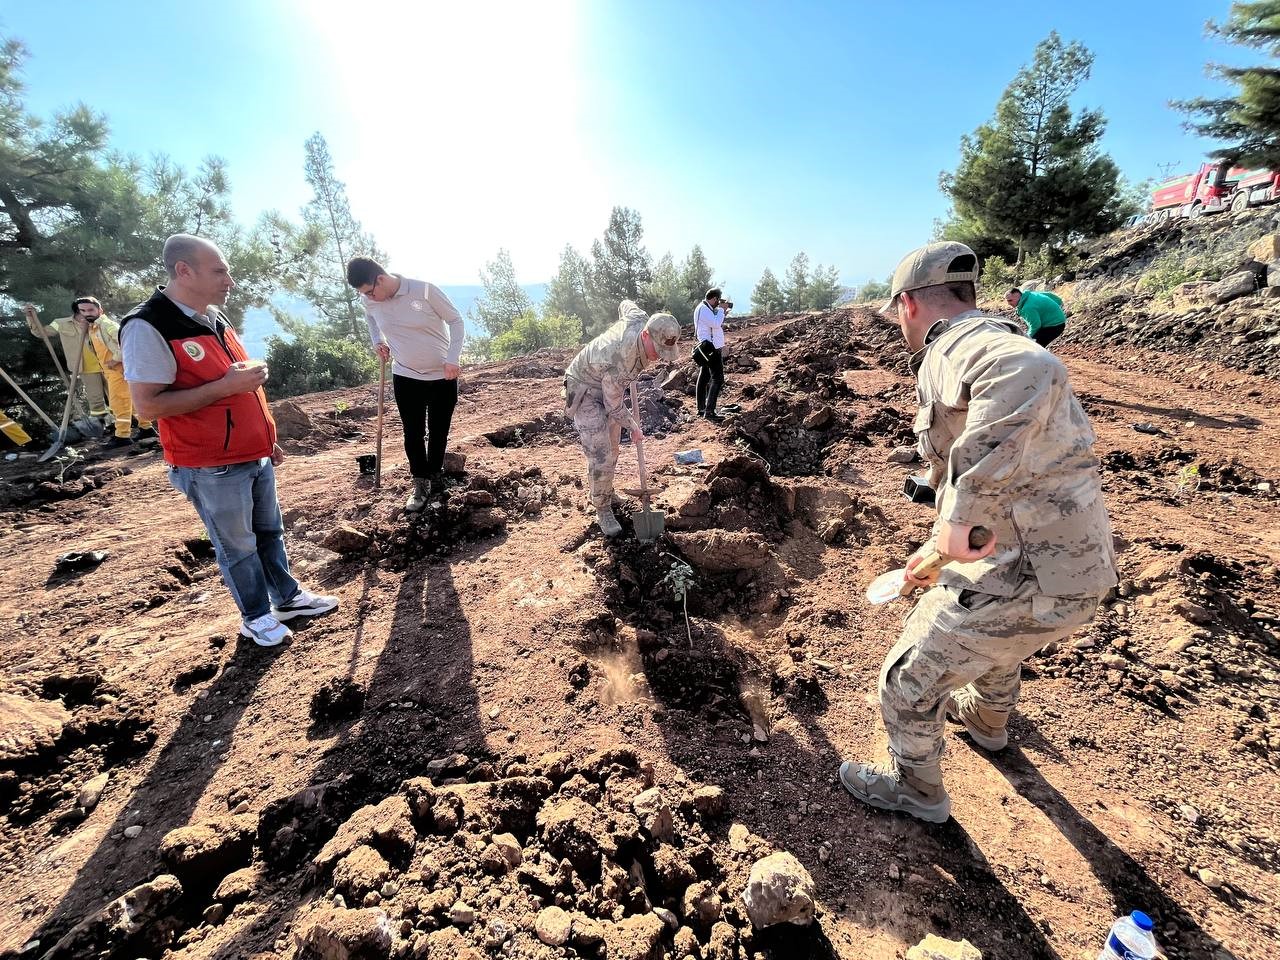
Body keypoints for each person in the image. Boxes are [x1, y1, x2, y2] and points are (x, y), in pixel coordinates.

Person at [839, 241, 1117, 824]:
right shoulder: (991, 331)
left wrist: (960, 517)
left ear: (910, 303)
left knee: (906, 680)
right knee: (996, 636)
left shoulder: (959, 343)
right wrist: (940, 539)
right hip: (1072, 572)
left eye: (896, 310)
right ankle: (988, 725)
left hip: (1023, 572)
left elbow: (1030, 369)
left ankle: (917, 793)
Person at [121, 234, 338, 648]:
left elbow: (238, 388)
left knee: (269, 532)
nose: (230, 280)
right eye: (220, 270)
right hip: (209, 464)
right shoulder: (148, 326)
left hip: (250, 453)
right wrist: (226, 385)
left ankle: (287, 599)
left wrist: (265, 436)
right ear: (184, 271)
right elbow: (147, 406)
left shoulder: (214, 317)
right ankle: (255, 617)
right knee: (237, 545)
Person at [346, 256, 464, 514]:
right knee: (412, 433)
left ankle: (435, 477)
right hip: (406, 376)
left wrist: (453, 358)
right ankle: (420, 483)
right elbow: (370, 318)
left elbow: (456, 321)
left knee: (438, 431)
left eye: (369, 291)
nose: (368, 298)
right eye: (363, 294)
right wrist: (377, 340)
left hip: (442, 376)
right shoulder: (370, 302)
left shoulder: (424, 290)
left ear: (380, 279)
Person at [563, 301, 682, 537]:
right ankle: (602, 507)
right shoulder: (622, 362)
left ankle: (604, 489)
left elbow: (625, 304)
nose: (658, 357)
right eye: (657, 350)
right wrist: (634, 426)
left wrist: (620, 328)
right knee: (601, 452)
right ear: (646, 335)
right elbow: (614, 406)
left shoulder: (640, 318)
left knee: (614, 447)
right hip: (585, 389)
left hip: (607, 384)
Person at [70, 296, 158, 449]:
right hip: (110, 370)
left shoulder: (107, 325)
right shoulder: (92, 327)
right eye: (83, 311)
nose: (87, 313)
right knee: (130, 400)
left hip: (118, 369)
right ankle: (146, 428)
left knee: (119, 402)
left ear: (100, 310)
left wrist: (115, 359)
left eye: (90, 310)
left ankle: (122, 436)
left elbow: (125, 341)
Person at [23, 302, 110, 421]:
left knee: (116, 394)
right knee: (96, 399)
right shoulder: (61, 323)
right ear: (78, 311)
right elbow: (40, 332)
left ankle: (125, 421)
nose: (88, 314)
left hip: (108, 364)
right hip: (85, 367)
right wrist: (30, 317)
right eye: (84, 311)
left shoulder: (98, 321)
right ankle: (102, 424)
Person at [693, 288, 727, 421]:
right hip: (711, 348)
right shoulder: (704, 309)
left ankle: (701, 408)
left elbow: (713, 323)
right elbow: (716, 323)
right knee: (718, 379)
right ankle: (709, 411)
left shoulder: (703, 308)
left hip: (707, 347)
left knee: (704, 377)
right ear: (714, 298)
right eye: (718, 300)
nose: (718, 303)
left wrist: (721, 312)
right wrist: (721, 310)